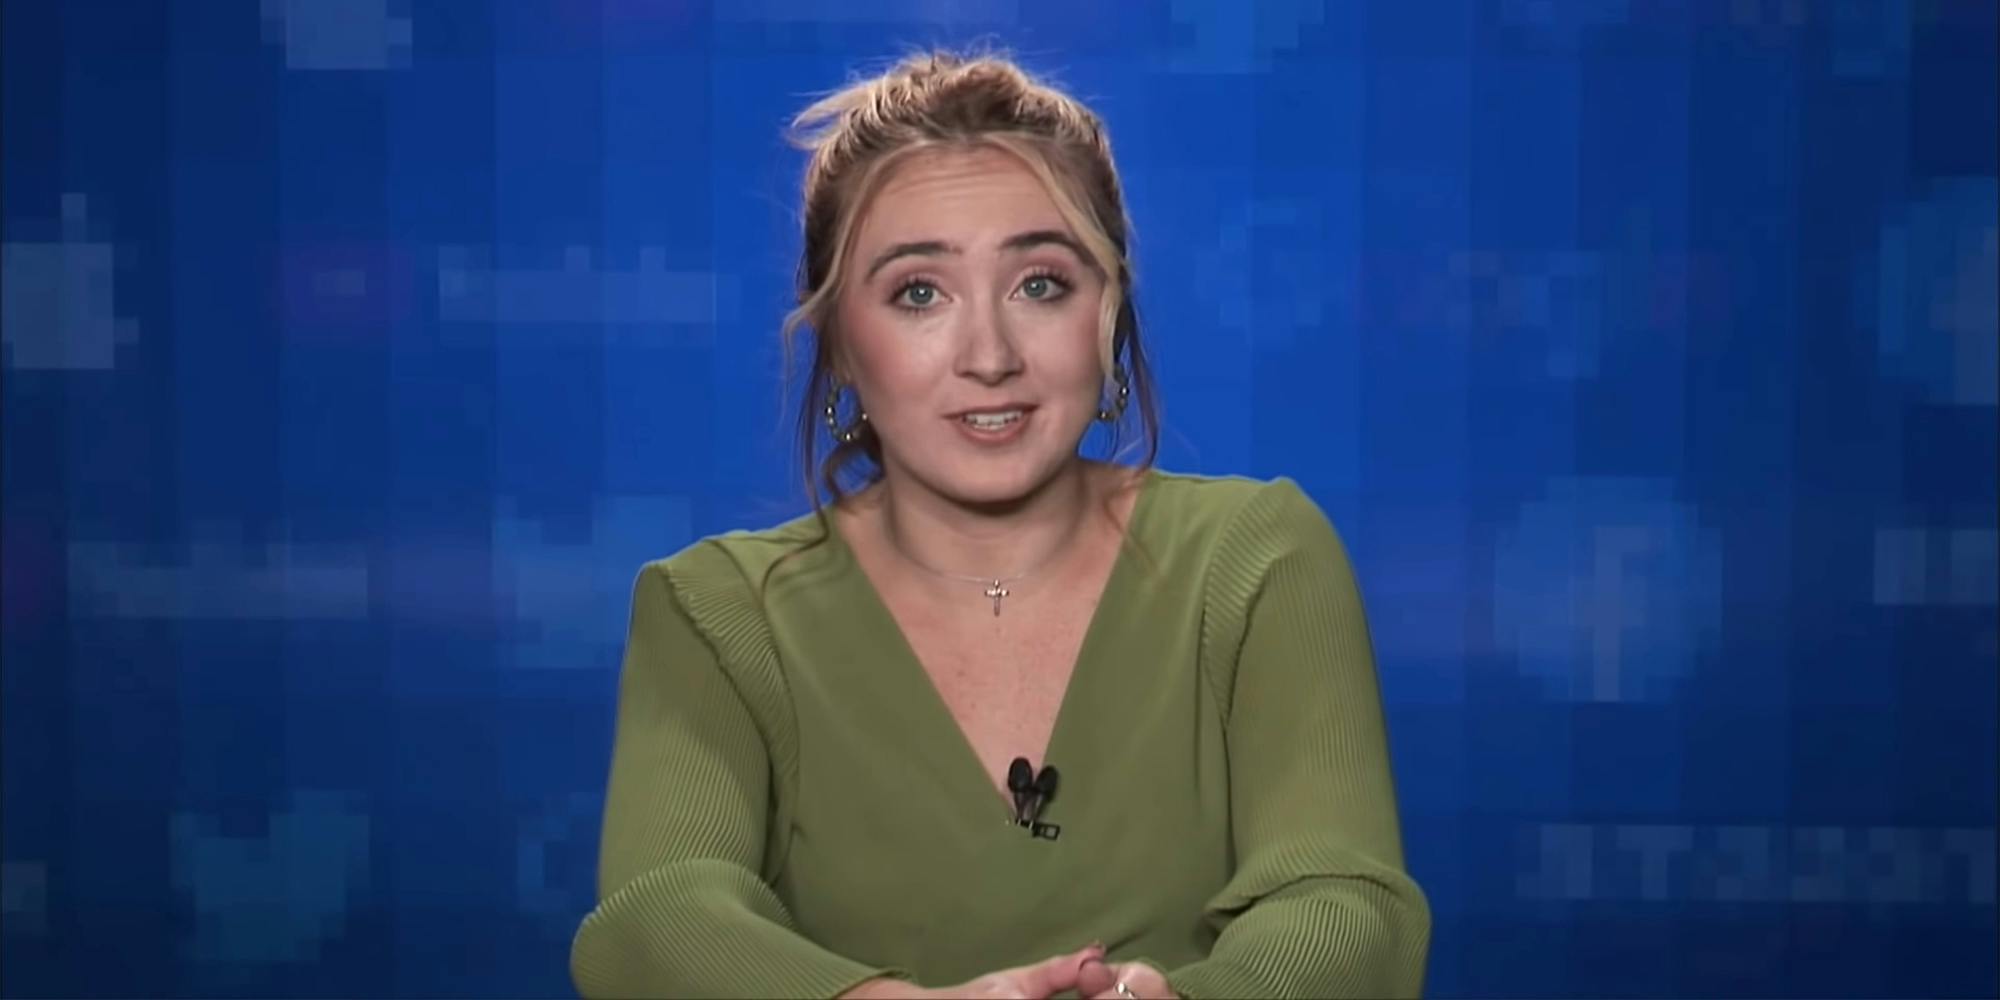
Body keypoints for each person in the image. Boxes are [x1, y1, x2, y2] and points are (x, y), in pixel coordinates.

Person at [569, 49, 1430, 1000]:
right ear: (842, 347)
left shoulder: (1257, 557)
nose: (989, 355)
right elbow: (659, 917)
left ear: (1108, 313)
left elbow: (1348, 910)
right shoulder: (718, 614)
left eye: (1041, 284)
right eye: (919, 293)